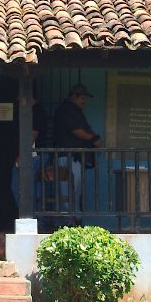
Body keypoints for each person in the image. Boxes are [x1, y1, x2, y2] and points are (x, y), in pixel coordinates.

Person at [49, 83, 100, 215]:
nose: (84, 101)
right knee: (67, 190)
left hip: (73, 156)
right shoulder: (67, 110)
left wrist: (94, 137)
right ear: (74, 96)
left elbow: (85, 128)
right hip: (67, 157)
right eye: (82, 98)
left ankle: (73, 218)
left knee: (74, 190)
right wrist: (93, 139)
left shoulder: (76, 111)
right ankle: (68, 220)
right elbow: (76, 130)